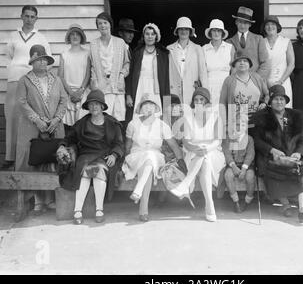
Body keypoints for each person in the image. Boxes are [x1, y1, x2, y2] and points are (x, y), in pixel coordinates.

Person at [57, 89, 124, 224]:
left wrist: (114, 155)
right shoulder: (82, 123)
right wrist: (62, 146)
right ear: (87, 107)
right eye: (91, 104)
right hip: (86, 155)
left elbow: (119, 143)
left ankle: (99, 209)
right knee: (86, 173)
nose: (94, 107)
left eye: (97, 104)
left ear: (102, 106)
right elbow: (69, 137)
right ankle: (77, 211)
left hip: (104, 156)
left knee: (98, 171)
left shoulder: (112, 123)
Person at [0, 5, 51, 170]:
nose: (29, 19)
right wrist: (15, 69)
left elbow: (47, 61)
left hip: (33, 80)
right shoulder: (13, 36)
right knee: (13, 115)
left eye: (32, 16)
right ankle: (10, 157)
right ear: (21, 16)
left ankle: (30, 157)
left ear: (36, 19)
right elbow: (8, 57)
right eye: (26, 16)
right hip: (15, 79)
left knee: (32, 116)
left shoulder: (41, 38)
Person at [252, 85, 303, 223]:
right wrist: (272, 150)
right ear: (270, 101)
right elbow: (256, 140)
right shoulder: (262, 117)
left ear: (286, 101)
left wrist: (298, 153)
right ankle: (285, 205)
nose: (279, 102)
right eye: (275, 99)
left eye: (281, 99)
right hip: (271, 157)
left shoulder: (297, 116)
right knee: (273, 172)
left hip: (292, 157)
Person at [16, 44, 67, 214]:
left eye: (44, 60)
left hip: (54, 127)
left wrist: (56, 119)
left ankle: (51, 199)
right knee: (35, 160)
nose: (42, 63)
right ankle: (38, 201)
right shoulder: (25, 80)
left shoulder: (56, 80)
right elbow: (22, 102)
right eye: (38, 60)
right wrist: (37, 120)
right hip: (33, 128)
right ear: (32, 62)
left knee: (52, 160)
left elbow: (63, 100)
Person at [123, 93, 186, 222]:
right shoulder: (133, 124)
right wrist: (124, 161)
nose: (148, 108)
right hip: (136, 156)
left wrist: (182, 161)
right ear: (140, 108)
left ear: (156, 108)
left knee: (150, 157)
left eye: (151, 105)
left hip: (156, 157)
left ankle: (139, 193)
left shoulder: (162, 125)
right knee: (147, 163)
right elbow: (128, 146)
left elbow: (174, 146)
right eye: (145, 105)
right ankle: (142, 208)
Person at [171, 87, 226, 222]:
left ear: (207, 102)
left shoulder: (216, 117)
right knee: (203, 159)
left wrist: (206, 149)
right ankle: (210, 205)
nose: (199, 102)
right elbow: (186, 142)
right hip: (193, 153)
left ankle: (186, 184)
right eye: (196, 100)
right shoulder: (188, 119)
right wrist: (196, 149)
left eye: (202, 99)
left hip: (213, 152)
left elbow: (218, 141)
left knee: (205, 157)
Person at [90, 12, 130, 133]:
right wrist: (94, 83)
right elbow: (92, 66)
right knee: (103, 119)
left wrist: (122, 75)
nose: (102, 26)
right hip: (101, 86)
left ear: (110, 25)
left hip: (116, 85)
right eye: (99, 23)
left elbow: (126, 63)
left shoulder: (120, 42)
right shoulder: (93, 44)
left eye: (105, 23)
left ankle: (118, 147)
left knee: (118, 119)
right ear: (97, 26)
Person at [125, 23, 169, 122]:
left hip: (155, 88)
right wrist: (128, 94)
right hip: (140, 87)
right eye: (147, 34)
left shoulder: (163, 54)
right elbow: (130, 74)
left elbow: (166, 78)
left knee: (155, 115)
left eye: (152, 34)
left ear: (156, 36)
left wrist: (166, 100)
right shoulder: (137, 52)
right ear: (143, 36)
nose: (150, 37)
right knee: (140, 114)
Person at [219, 51, 268, 133]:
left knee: (257, 143)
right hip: (237, 123)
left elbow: (267, 94)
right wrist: (225, 123)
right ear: (234, 64)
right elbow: (222, 103)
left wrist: (265, 103)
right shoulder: (228, 80)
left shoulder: (257, 77)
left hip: (257, 121)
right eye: (239, 61)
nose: (242, 63)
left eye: (245, 61)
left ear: (249, 64)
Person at [58, 24, 90, 134]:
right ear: (68, 37)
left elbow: (88, 74)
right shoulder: (64, 54)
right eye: (72, 34)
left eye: (77, 34)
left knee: (83, 124)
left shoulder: (87, 53)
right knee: (69, 128)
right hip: (68, 93)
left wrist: (80, 91)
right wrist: (71, 93)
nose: (75, 37)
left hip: (83, 92)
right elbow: (60, 76)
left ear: (81, 37)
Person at [168, 16, 208, 105]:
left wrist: (205, 94)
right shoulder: (169, 49)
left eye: (186, 29)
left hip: (193, 91)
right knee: (173, 117)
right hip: (173, 91)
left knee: (194, 117)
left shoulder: (197, 49)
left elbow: (203, 73)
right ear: (177, 31)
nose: (183, 31)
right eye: (181, 29)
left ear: (190, 31)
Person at [222, 115, 256, 213]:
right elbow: (227, 153)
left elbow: (250, 154)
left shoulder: (249, 139)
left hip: (246, 165)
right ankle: (235, 201)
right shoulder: (228, 138)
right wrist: (233, 166)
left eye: (243, 124)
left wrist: (244, 169)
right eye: (237, 124)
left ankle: (247, 200)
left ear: (246, 127)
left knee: (250, 177)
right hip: (233, 164)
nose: (240, 127)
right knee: (228, 176)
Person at [261, 15, 295, 108]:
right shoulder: (261, 42)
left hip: (283, 81)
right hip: (266, 84)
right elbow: (260, 65)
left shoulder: (286, 41)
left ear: (277, 27)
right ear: (264, 27)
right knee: (269, 112)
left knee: (285, 111)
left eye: (273, 24)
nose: (270, 27)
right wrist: (265, 83)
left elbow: (291, 64)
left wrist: (280, 81)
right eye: (267, 25)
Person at [227, 6, 267, 80]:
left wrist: (256, 79)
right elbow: (229, 65)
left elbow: (265, 63)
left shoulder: (258, 39)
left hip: (255, 81)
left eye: (245, 23)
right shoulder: (229, 42)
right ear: (236, 22)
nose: (242, 25)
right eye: (240, 22)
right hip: (237, 81)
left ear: (250, 24)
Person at [202, 19, 235, 105]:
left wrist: (231, 86)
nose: (216, 33)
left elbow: (234, 71)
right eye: (214, 30)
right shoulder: (204, 49)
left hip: (226, 85)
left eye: (219, 31)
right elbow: (202, 72)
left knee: (226, 113)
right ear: (210, 32)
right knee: (210, 114)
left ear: (222, 33)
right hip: (209, 86)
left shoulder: (230, 48)